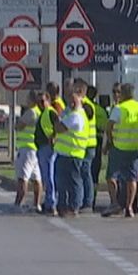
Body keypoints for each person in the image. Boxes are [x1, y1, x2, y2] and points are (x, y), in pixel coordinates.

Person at [104, 83, 138, 218]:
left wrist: (109, 142)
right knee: (132, 178)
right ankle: (129, 207)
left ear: (123, 94)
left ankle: (115, 203)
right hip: (135, 147)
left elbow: (109, 126)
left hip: (119, 147)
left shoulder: (119, 108)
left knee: (111, 176)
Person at [52, 85, 90, 219]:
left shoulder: (76, 116)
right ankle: (63, 206)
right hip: (66, 154)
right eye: (70, 100)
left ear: (80, 100)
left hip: (72, 154)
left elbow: (59, 128)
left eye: (74, 100)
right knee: (63, 183)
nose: (71, 103)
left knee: (74, 182)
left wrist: (58, 119)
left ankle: (74, 207)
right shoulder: (74, 114)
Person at [12, 91, 43, 213]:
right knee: (37, 178)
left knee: (23, 178)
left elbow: (18, 126)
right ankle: (37, 203)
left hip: (26, 149)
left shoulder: (31, 112)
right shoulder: (39, 112)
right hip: (35, 149)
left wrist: (18, 122)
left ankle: (19, 202)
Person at [36, 82, 61, 216]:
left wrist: (54, 138)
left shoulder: (51, 112)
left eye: (42, 101)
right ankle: (49, 202)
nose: (40, 104)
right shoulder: (45, 112)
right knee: (46, 177)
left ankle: (51, 203)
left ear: (48, 101)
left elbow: (58, 125)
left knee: (49, 176)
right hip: (43, 147)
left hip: (48, 148)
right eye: (38, 101)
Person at [77, 81, 99, 213]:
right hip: (86, 144)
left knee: (85, 173)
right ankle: (83, 201)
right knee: (83, 173)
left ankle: (87, 202)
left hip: (87, 144)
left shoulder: (86, 105)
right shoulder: (84, 104)